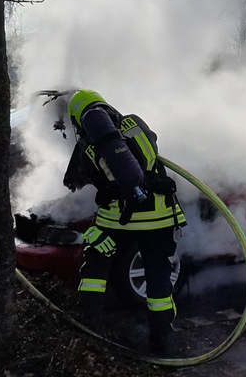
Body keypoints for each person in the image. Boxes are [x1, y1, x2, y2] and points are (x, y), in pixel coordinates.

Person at [63, 89, 186, 355]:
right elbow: (152, 148)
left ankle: (89, 329)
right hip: (158, 218)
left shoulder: (88, 144)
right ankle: (160, 339)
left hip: (115, 221)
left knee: (96, 270)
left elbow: (86, 179)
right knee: (158, 278)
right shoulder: (134, 123)